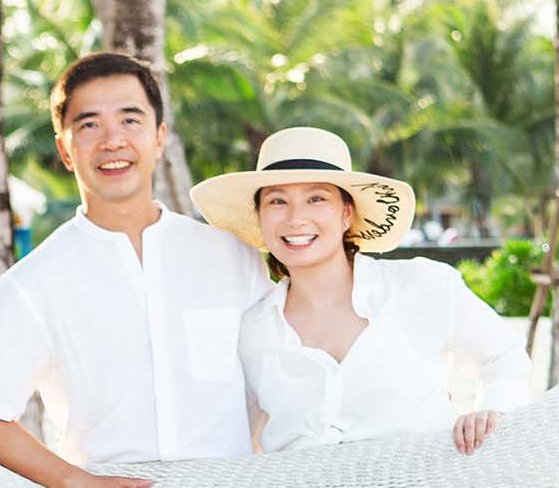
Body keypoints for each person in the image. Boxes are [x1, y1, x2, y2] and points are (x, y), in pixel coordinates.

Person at [0, 52, 270, 488]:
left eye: (130, 120)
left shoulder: (233, 256)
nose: (112, 140)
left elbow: (278, 383)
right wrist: (77, 483)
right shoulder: (34, 281)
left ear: (160, 136)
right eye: (89, 124)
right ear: (65, 148)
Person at [189, 126, 529, 456]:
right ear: (260, 218)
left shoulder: (423, 285)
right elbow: (233, 438)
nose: (296, 218)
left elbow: (505, 356)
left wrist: (491, 412)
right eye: (277, 202)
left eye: (316, 198)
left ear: (346, 213)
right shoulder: (251, 330)